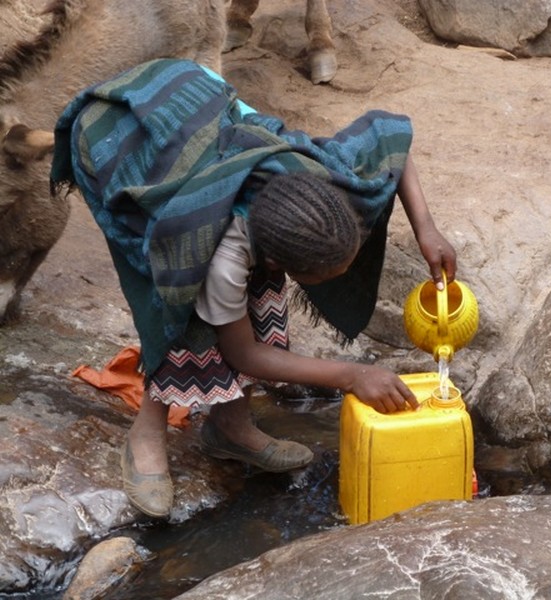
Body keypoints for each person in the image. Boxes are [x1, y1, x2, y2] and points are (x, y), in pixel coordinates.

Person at [50, 58, 457, 518]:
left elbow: (390, 135)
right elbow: (243, 353)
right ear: (275, 261)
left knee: (252, 295)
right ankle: (146, 434)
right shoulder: (213, 251)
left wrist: (426, 229)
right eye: (326, 276)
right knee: (178, 303)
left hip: (191, 99)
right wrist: (352, 375)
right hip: (120, 141)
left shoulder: (318, 179)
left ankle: (229, 427)